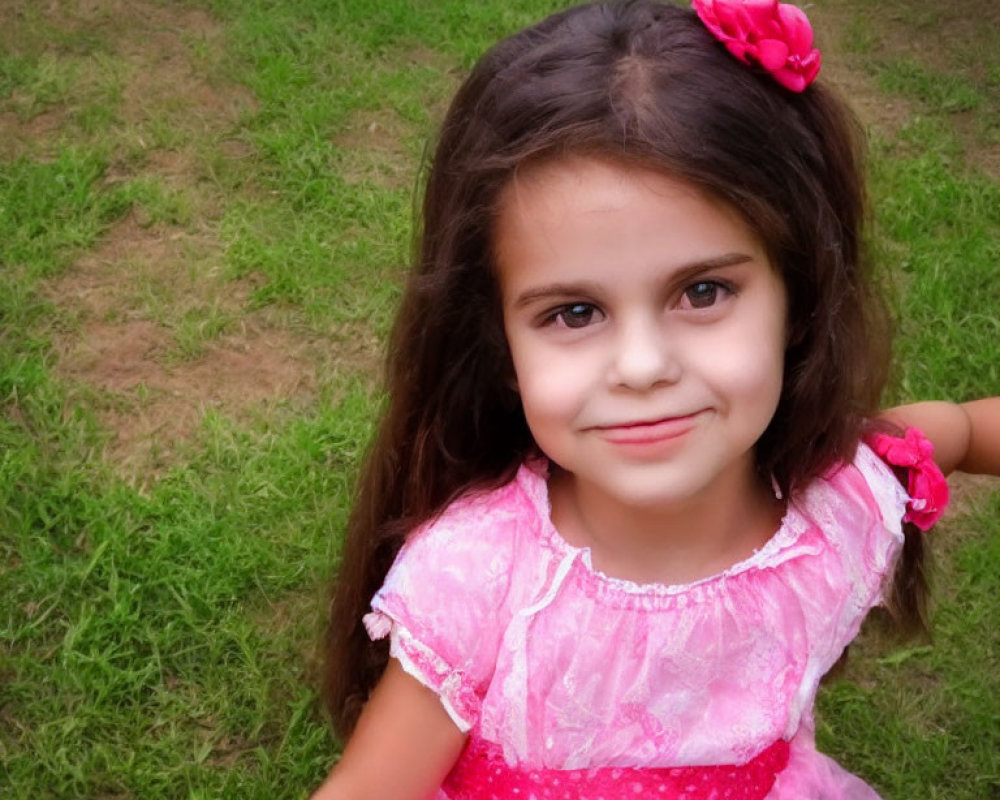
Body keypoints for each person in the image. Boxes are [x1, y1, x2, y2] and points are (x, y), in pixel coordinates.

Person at [311, 1, 1000, 797]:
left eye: (703, 291)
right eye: (574, 313)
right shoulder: (478, 577)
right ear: (500, 345)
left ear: (801, 299)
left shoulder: (849, 496)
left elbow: (958, 430)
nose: (641, 367)